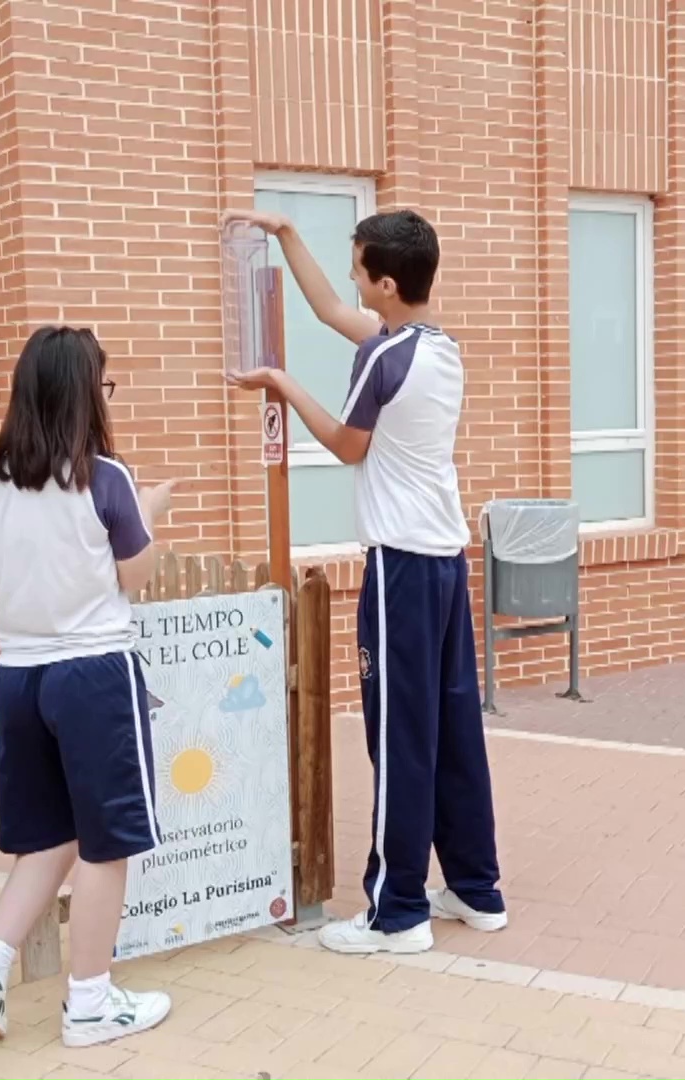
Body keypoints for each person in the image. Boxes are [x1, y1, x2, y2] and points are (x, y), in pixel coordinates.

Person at [223, 206, 507, 955]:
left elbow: (349, 446)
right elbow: (327, 310)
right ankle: (477, 890)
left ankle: (397, 914)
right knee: (450, 731)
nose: (351, 280)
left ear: (385, 283)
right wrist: (288, 236)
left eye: (358, 270)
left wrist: (282, 384)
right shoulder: (434, 347)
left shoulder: (386, 360)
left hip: (403, 569)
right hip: (445, 563)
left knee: (400, 738)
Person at [0, 326, 179, 1046]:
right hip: (94, 677)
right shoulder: (104, 479)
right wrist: (151, 514)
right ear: (83, 394)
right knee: (106, 844)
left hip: (20, 677)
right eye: (102, 386)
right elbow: (135, 575)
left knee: (48, 836)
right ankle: (89, 1002)